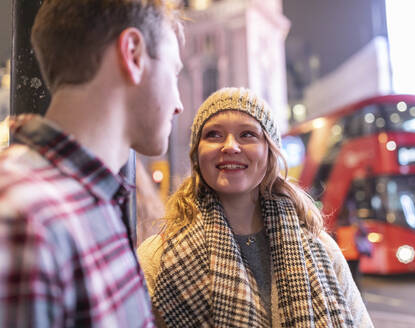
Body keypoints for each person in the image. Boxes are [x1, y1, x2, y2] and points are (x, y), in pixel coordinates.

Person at [0, 0, 183, 326]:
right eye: (174, 71)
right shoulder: (21, 218)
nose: (179, 104)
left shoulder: (98, 199)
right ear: (133, 55)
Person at [138, 87, 374, 327]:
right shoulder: (159, 258)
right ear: (197, 154)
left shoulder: (321, 248)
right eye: (214, 135)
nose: (230, 146)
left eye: (247, 134)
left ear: (269, 151)